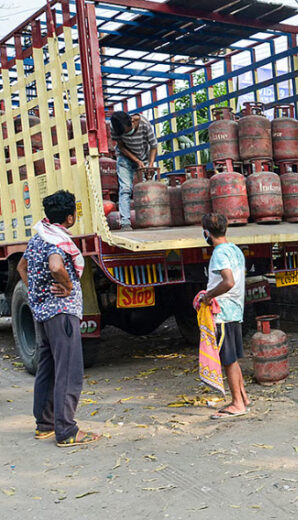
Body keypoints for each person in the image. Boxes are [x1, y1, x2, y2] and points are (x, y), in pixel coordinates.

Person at [18, 191, 100, 447]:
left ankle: (45, 425)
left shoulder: (38, 237)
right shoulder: (57, 241)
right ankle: (66, 430)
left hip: (43, 313)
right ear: (70, 217)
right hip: (61, 313)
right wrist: (67, 286)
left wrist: (36, 291)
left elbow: (22, 267)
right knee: (68, 369)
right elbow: (56, 266)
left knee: (49, 367)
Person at [200, 213, 250, 419]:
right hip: (235, 310)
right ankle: (243, 397)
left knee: (228, 359)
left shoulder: (219, 253)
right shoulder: (235, 250)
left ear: (206, 233)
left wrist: (208, 296)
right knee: (233, 359)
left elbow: (228, 281)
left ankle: (237, 403)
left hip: (223, 312)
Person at [110, 111, 158, 231]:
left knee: (150, 188)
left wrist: (150, 165)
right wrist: (136, 160)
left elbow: (153, 146)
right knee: (125, 189)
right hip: (125, 158)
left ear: (132, 121)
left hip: (145, 157)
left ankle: (153, 219)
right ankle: (125, 223)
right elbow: (121, 146)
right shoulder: (115, 127)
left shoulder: (145, 124)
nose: (127, 134)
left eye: (127, 131)